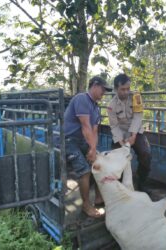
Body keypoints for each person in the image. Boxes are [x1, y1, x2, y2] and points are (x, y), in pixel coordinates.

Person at [64, 76, 112, 218]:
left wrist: (93, 150)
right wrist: (90, 149)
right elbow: (85, 126)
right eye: (103, 89)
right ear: (95, 85)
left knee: (99, 163)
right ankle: (86, 205)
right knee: (85, 171)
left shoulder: (96, 108)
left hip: (82, 140)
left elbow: (94, 131)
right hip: (68, 139)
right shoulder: (82, 99)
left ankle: (98, 197)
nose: (104, 93)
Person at [107, 73, 151, 190]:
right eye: (123, 89)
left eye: (128, 89)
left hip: (136, 130)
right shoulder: (111, 106)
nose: (126, 92)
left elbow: (138, 116)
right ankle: (119, 185)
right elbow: (114, 126)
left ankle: (141, 182)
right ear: (116, 89)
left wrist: (133, 136)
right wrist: (122, 144)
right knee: (116, 158)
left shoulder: (136, 97)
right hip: (120, 133)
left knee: (146, 153)